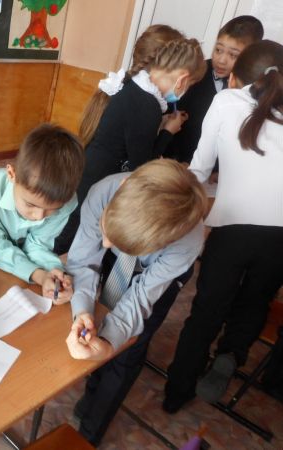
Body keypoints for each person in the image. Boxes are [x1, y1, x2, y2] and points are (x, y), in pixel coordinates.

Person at [164, 40, 283, 413]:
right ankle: (231, 353)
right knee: (255, 301)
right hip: (280, 238)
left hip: (232, 228)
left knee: (207, 309)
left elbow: (199, 170)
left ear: (234, 78)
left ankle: (178, 391)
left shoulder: (226, 101)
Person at [65, 159, 207, 446]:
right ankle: (91, 393)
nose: (105, 244)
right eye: (105, 229)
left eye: (113, 240)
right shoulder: (103, 190)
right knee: (99, 321)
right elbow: (84, 261)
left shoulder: (187, 243)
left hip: (154, 278)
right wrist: (82, 312)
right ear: (123, 186)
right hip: (118, 264)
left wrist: (109, 345)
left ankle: (91, 432)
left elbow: (140, 299)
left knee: (128, 350)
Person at [54, 35, 206, 254]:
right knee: (75, 233)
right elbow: (142, 167)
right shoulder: (147, 105)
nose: (185, 91)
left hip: (92, 169)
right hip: (99, 179)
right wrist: (167, 132)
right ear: (182, 79)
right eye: (190, 85)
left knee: (75, 227)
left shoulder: (136, 89)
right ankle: (50, 260)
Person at [0, 123, 85, 301]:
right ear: (11, 174)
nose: (39, 216)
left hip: (12, 268)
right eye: (30, 204)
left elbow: (38, 245)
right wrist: (39, 275)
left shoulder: (67, 202)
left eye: (52, 210)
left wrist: (55, 274)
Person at [164, 15, 264, 163]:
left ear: (250, 57)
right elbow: (170, 115)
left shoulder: (255, 88)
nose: (221, 60)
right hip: (178, 160)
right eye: (218, 50)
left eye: (233, 55)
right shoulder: (195, 72)